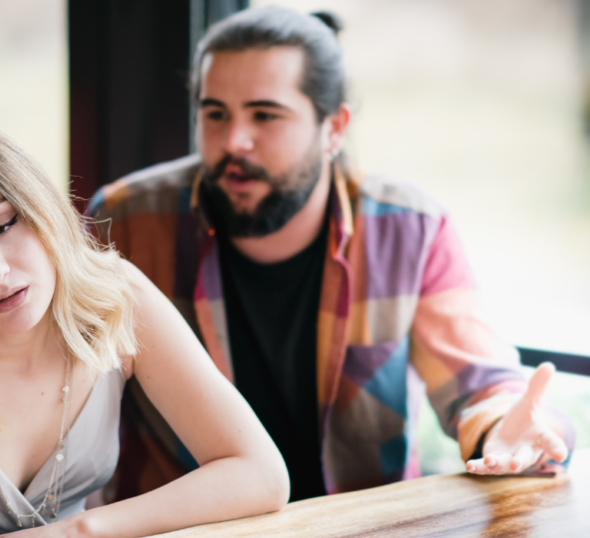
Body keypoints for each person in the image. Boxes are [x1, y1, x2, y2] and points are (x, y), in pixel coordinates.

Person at [87, 6, 575, 502]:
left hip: (361, 527)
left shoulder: (408, 228)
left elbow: (478, 384)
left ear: (334, 128)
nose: (234, 141)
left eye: (265, 115)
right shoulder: (127, 220)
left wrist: (508, 430)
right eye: (215, 114)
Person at [0, 114, 288, 537]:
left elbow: (261, 473)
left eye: (2, 226)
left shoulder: (114, 300)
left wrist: (84, 530)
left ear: (40, 206)